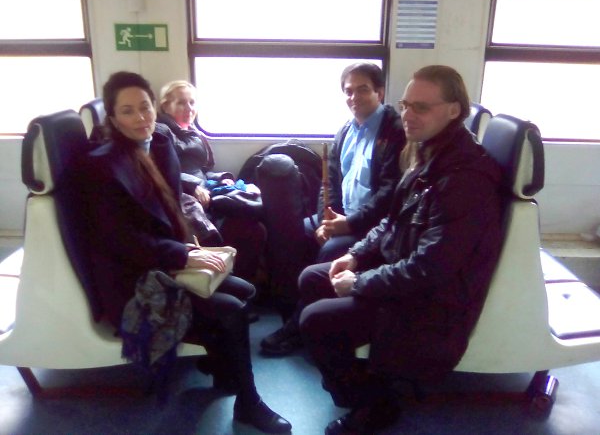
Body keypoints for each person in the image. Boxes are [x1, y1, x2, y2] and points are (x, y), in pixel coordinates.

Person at [78, 71, 291, 434]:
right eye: (127, 111)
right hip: (130, 281)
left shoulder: (158, 142)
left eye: (145, 107)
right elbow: (121, 242)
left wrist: (188, 245)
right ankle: (248, 402)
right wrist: (182, 256)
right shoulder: (103, 167)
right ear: (112, 118)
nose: (140, 118)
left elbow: (170, 207)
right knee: (231, 309)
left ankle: (222, 369)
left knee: (244, 290)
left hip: (157, 259)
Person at [295, 65, 503, 434]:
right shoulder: (426, 154)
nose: (407, 115)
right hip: (407, 276)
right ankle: (357, 375)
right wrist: (356, 255)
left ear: (453, 110)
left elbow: (430, 268)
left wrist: (359, 283)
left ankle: (376, 405)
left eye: (421, 107)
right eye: (406, 105)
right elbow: (392, 222)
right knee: (313, 278)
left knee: (315, 320)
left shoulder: (464, 178)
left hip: (430, 303)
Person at [260, 62, 406, 356]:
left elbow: (390, 193)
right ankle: (292, 307)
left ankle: (300, 326)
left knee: (330, 250)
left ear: (379, 92)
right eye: (349, 91)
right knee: (293, 234)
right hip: (342, 215)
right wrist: (324, 219)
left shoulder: (395, 132)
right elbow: (329, 184)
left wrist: (348, 224)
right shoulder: (345, 132)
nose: (354, 97)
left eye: (362, 90)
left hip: (371, 224)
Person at [156, 80, 266, 283]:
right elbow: (162, 171)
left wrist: (222, 178)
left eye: (192, 102)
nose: (189, 108)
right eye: (181, 103)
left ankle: (243, 284)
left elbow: (203, 170)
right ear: (165, 106)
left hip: (205, 191)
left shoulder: (194, 133)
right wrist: (193, 186)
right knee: (247, 230)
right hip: (183, 195)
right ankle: (216, 256)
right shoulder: (161, 133)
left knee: (255, 228)